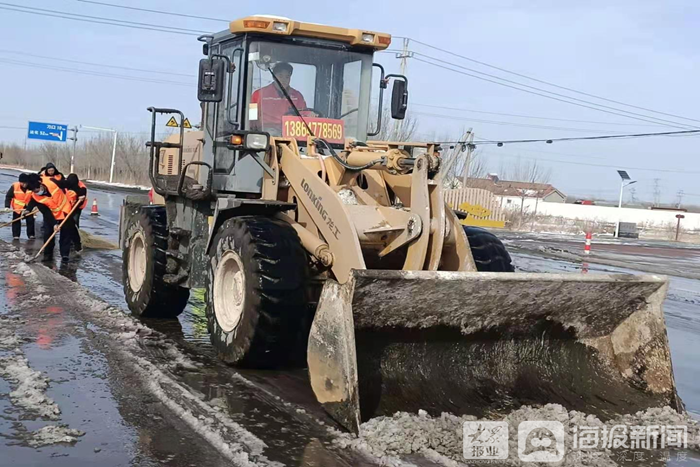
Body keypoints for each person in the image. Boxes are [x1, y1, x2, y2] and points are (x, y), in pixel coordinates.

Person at [25, 173, 80, 263]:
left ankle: (65, 254)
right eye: (34, 191)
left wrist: (80, 192)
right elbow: (46, 212)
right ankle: (47, 255)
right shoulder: (36, 198)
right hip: (51, 215)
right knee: (48, 234)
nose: (37, 191)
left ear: (40, 183)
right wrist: (54, 223)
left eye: (37, 189)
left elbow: (67, 183)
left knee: (66, 233)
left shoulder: (51, 181)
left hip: (65, 209)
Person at [250, 62, 308, 133]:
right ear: (274, 77)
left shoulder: (298, 96)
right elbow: (251, 117)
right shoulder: (258, 94)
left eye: (287, 77)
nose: (284, 80)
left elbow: (304, 116)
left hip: (290, 132)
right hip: (266, 134)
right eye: (280, 76)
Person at [4, 173, 36, 240]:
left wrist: (35, 206)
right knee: (16, 220)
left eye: (26, 183)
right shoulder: (15, 186)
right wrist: (7, 206)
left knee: (30, 220)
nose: (24, 185)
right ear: (20, 182)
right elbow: (8, 196)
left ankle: (31, 235)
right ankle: (16, 235)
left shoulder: (31, 187)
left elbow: (35, 197)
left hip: (28, 206)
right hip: (17, 207)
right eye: (22, 183)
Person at [65, 174, 86, 254]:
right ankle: (69, 241)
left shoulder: (82, 188)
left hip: (77, 208)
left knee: (74, 223)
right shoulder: (66, 185)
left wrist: (73, 209)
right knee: (66, 225)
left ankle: (76, 244)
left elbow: (81, 201)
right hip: (67, 208)